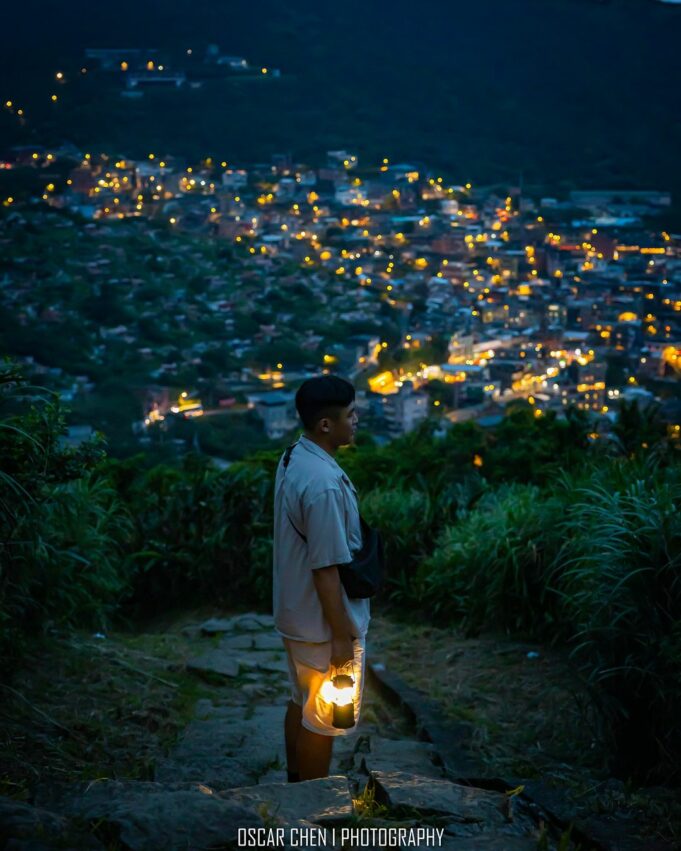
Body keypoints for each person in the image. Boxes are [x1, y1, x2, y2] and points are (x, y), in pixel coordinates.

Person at [272, 375, 369, 781]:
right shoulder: (323, 485)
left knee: (301, 703)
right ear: (326, 425)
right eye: (350, 415)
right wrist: (342, 637)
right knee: (325, 720)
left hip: (298, 615)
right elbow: (325, 570)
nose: (357, 420)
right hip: (321, 624)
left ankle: (294, 797)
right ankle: (309, 815)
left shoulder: (294, 456)